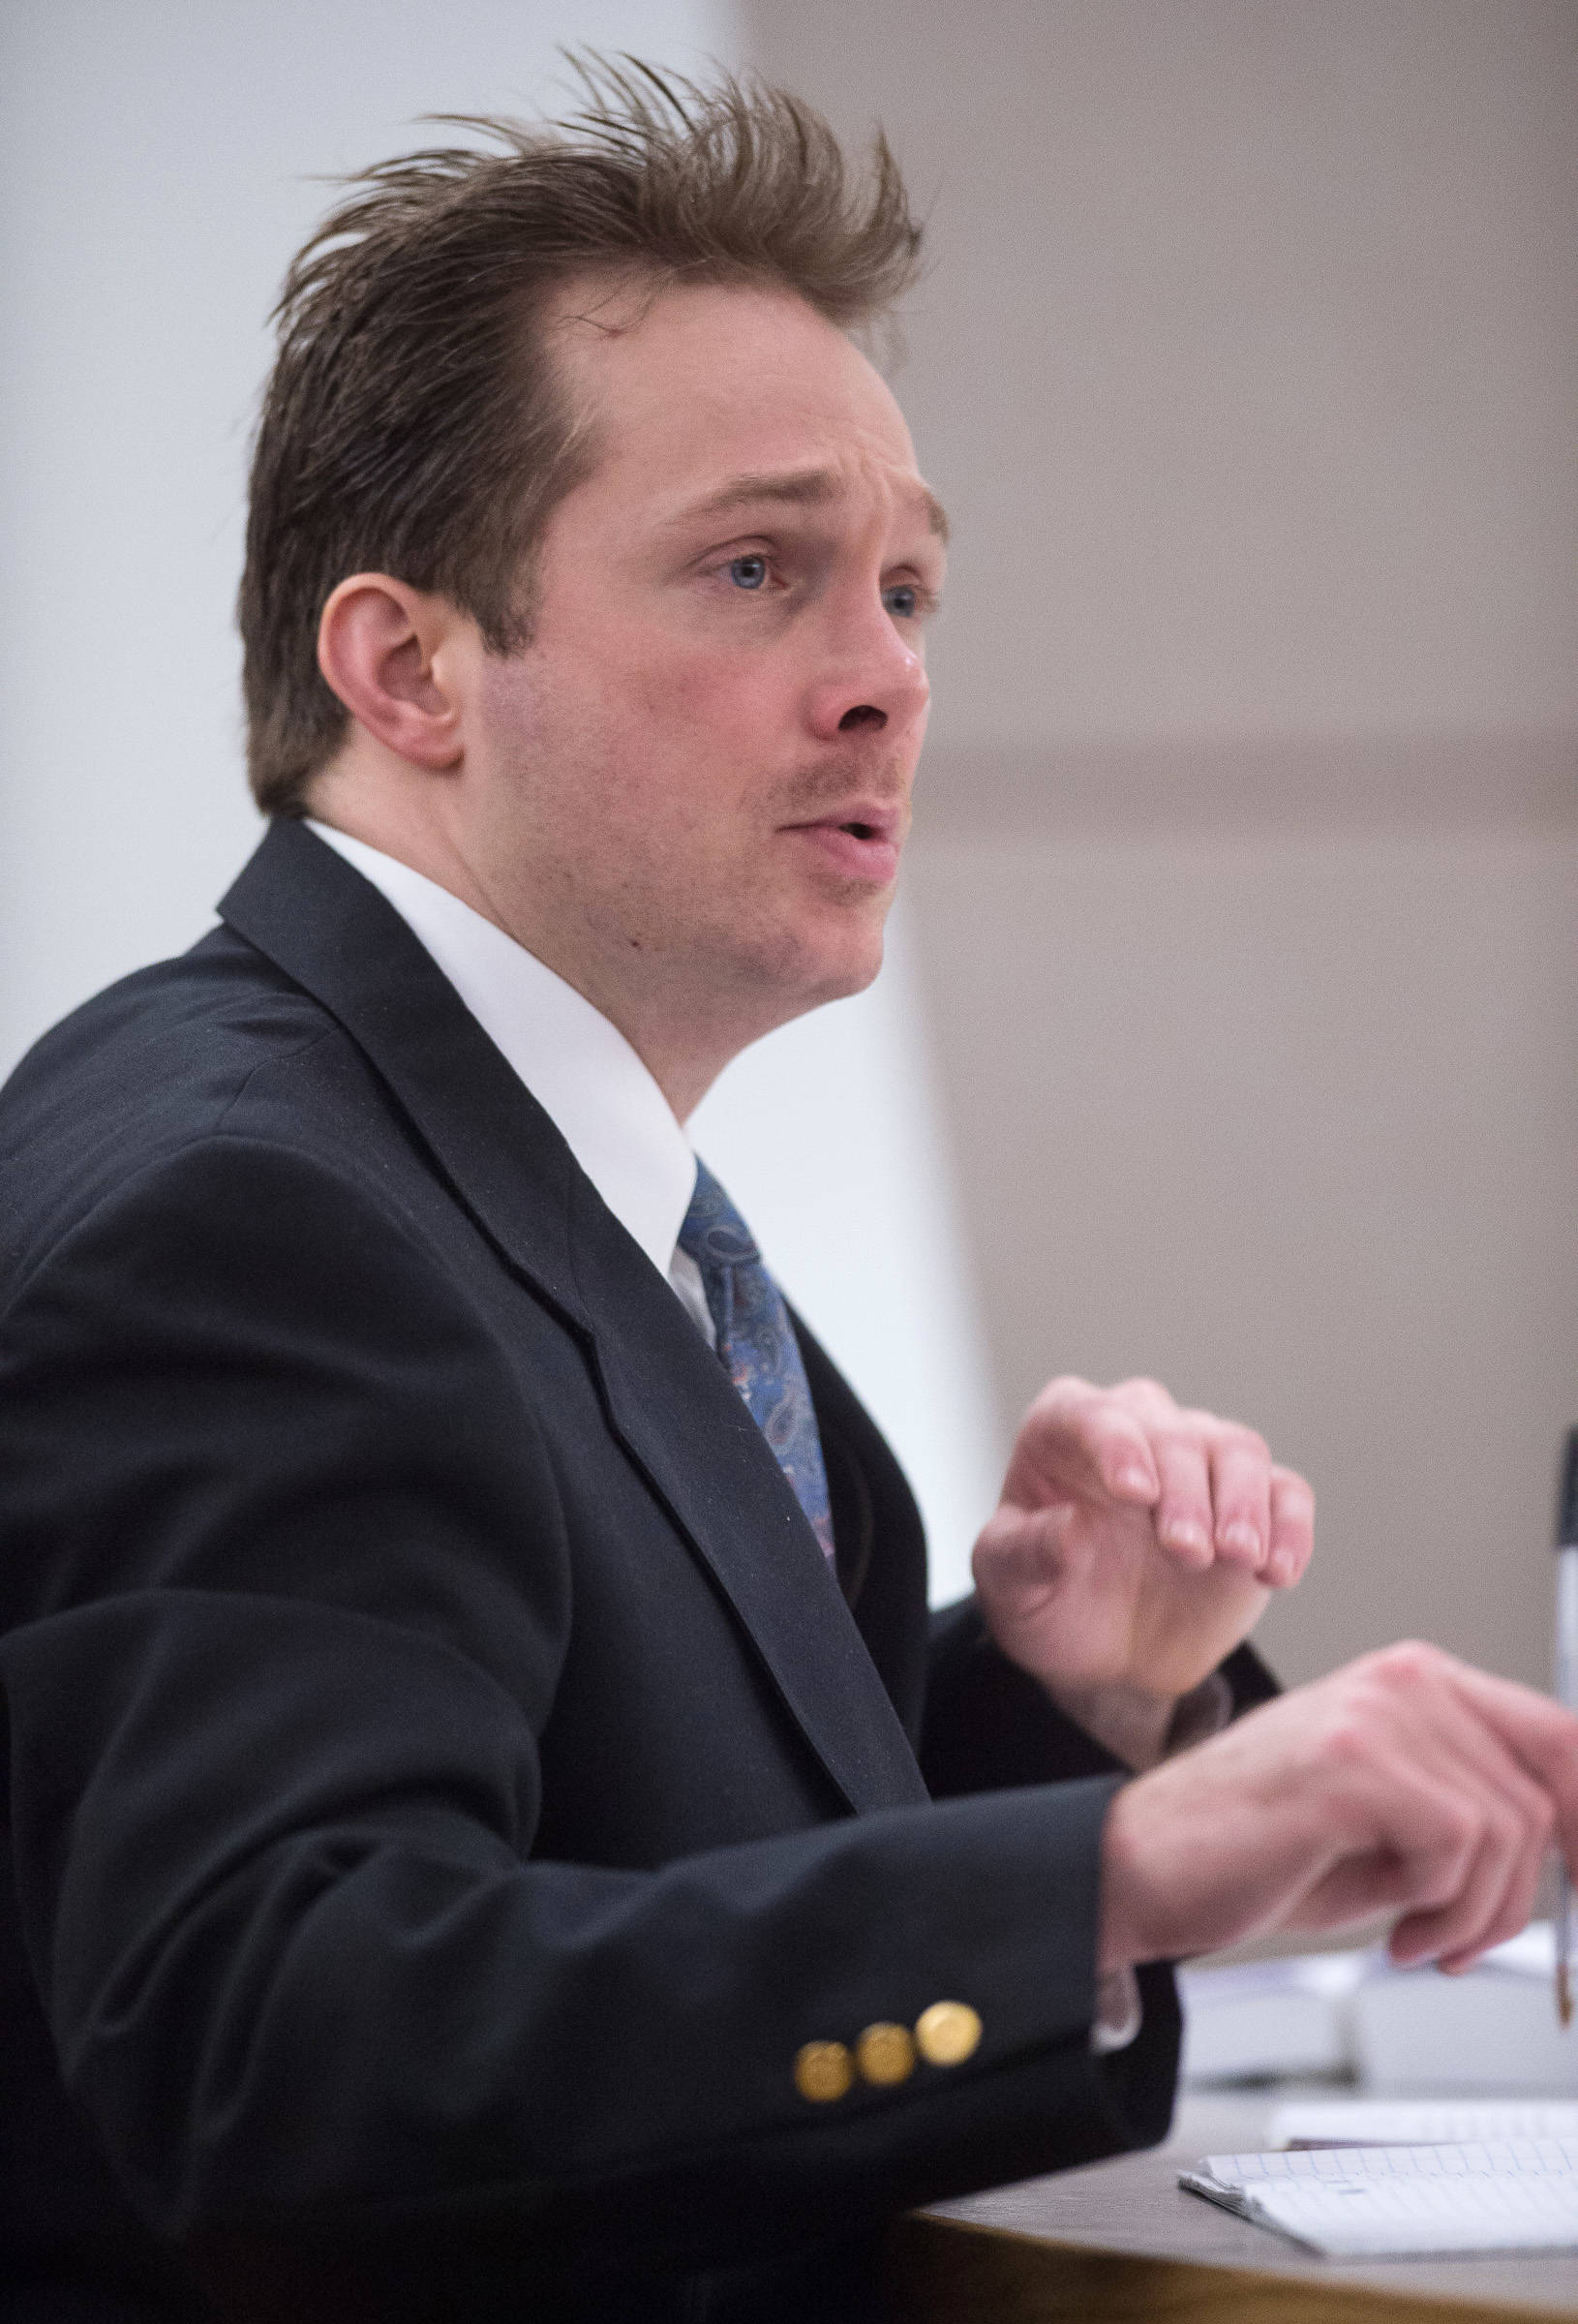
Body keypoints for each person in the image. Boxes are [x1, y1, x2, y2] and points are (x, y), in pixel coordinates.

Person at [1, 60, 1574, 2324]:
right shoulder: (253, 1219)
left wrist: (1062, 1714)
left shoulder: (476, 1159)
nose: (882, 688)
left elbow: (609, 1838)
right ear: (407, 665)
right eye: (757, 573)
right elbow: (288, 2055)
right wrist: (1116, 1872)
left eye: (907, 591)